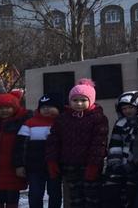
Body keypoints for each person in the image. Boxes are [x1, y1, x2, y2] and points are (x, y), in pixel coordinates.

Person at [46, 79, 109, 208]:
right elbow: (54, 140)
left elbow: (99, 143)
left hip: (89, 165)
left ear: (91, 100)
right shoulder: (63, 118)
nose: (79, 103)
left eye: (83, 100)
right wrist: (52, 160)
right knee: (75, 199)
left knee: (92, 198)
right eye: (75, 100)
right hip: (69, 165)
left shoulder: (98, 118)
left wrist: (94, 164)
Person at [15, 94, 63, 208]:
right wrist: (19, 164)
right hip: (34, 167)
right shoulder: (30, 123)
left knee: (55, 193)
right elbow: (20, 145)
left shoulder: (62, 123)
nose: (46, 110)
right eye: (43, 107)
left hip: (55, 166)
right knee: (35, 194)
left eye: (50, 106)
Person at [0, 90, 28, 208]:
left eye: (8, 107)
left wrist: (21, 165)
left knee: (12, 198)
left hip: (13, 168)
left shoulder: (22, 123)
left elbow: (22, 146)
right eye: (0, 108)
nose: (4, 111)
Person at [102, 90, 138, 208]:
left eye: (130, 107)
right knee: (111, 191)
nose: (127, 111)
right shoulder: (120, 123)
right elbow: (115, 144)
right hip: (119, 165)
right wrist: (115, 164)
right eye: (124, 108)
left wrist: (132, 164)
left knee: (132, 194)